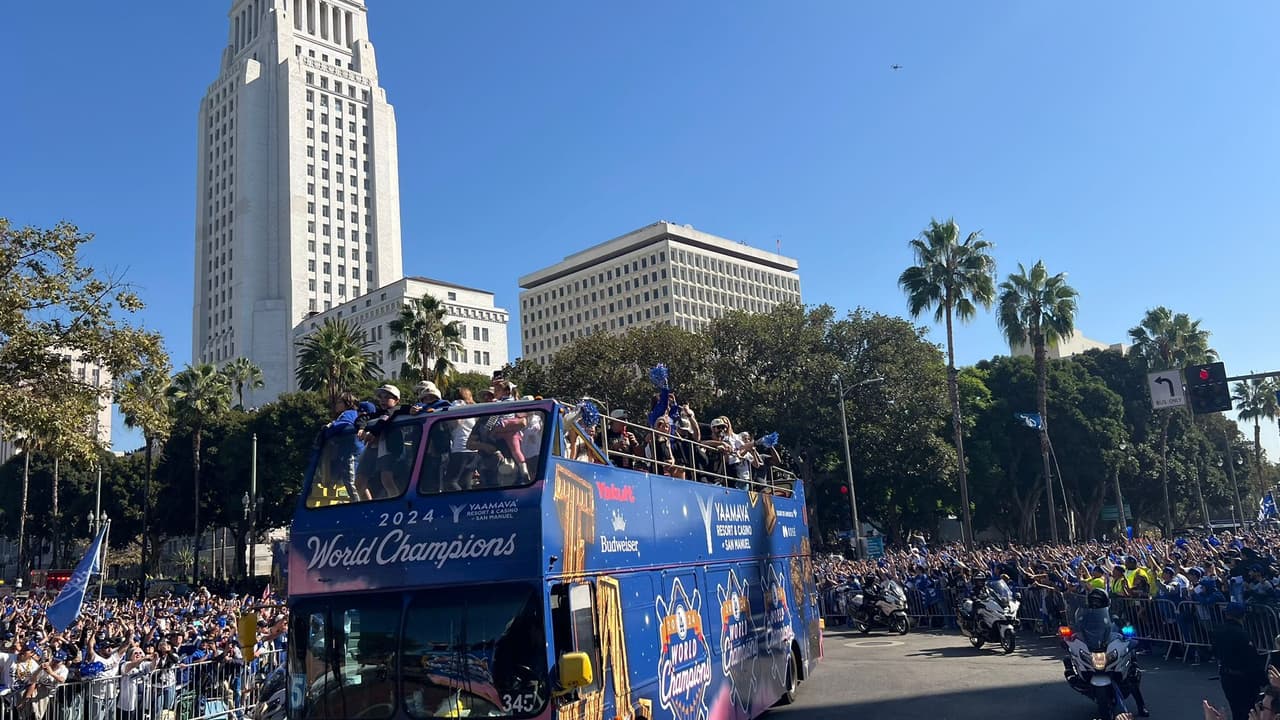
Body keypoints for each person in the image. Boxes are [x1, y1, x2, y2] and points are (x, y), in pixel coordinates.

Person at [1212, 602, 1268, 720]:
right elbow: (1251, 659)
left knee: (1236, 710)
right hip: (1244, 679)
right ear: (1242, 616)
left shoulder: (1217, 630)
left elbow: (1215, 652)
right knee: (1249, 711)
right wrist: (1263, 680)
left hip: (1227, 676)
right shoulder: (1242, 634)